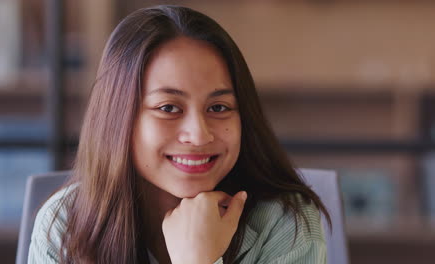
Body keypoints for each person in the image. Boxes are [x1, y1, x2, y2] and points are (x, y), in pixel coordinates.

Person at [28, 5, 330, 264]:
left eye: (219, 107)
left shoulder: (283, 224)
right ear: (119, 118)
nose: (199, 135)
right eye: (169, 107)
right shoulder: (65, 225)